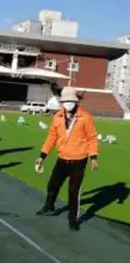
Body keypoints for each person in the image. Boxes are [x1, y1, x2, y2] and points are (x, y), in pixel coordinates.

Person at [35, 86, 99, 231]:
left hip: (79, 161)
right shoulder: (57, 117)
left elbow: (92, 138)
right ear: (62, 102)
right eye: (65, 101)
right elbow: (51, 137)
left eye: (71, 100)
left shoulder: (85, 117)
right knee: (52, 185)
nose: (68, 103)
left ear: (76, 101)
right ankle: (49, 206)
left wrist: (93, 157)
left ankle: (72, 219)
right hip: (62, 158)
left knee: (73, 191)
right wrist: (42, 156)